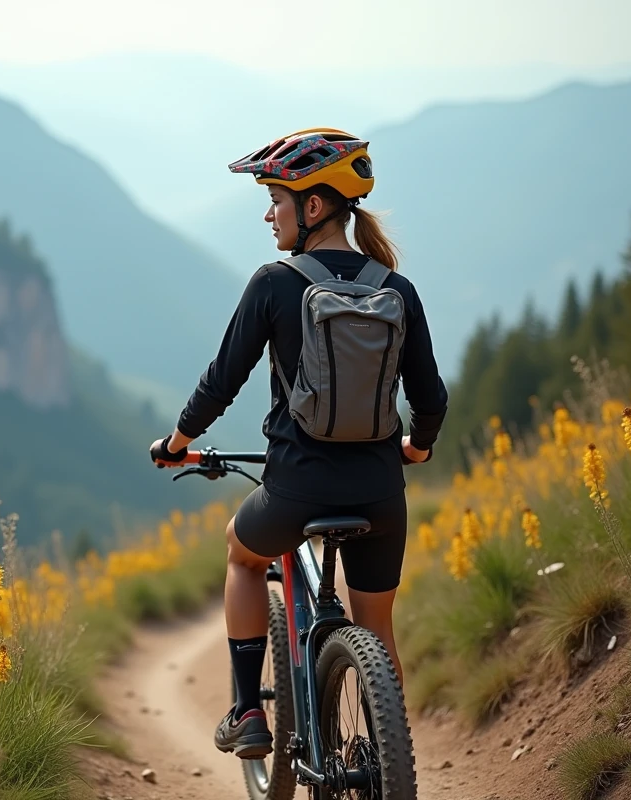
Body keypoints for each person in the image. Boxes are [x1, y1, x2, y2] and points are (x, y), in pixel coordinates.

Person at [149, 128, 448, 759]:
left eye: (276, 200)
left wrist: (177, 441)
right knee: (377, 626)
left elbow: (220, 381)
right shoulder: (399, 291)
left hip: (295, 489)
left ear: (313, 207)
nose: (268, 213)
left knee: (241, 553)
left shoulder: (274, 283)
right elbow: (432, 400)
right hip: (379, 495)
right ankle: (387, 755)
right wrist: (415, 450)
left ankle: (247, 711)